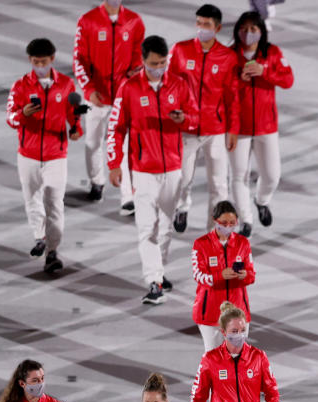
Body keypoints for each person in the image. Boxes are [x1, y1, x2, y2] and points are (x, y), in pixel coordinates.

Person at [107, 35, 198, 305]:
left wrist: (185, 120)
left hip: (172, 168)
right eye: (153, 64)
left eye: (163, 63)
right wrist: (114, 165)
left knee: (166, 228)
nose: (159, 68)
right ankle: (154, 281)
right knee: (146, 227)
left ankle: (160, 269)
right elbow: (116, 128)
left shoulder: (179, 85)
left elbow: (195, 118)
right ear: (143, 61)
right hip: (143, 170)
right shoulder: (129, 88)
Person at [6, 38, 83, 276]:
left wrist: (76, 129)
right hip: (27, 154)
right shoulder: (20, 86)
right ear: (30, 60)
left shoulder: (66, 85)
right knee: (32, 199)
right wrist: (23, 114)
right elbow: (10, 118)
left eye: (43, 61)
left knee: (54, 201)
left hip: (55, 154)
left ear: (52, 59)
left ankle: (52, 251)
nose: (39, 65)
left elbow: (74, 113)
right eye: (35, 61)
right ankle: (40, 236)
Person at [168, 4, 241, 234]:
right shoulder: (180, 50)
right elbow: (169, 88)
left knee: (219, 185)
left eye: (206, 24)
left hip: (215, 130)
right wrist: (173, 114)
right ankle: (181, 206)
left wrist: (233, 129)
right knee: (182, 178)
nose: (201, 28)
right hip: (186, 129)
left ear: (217, 28)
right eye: (198, 23)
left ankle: (215, 234)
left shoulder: (228, 57)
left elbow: (233, 95)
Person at [73, 0, 144, 213]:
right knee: (93, 142)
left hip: (123, 98)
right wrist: (88, 89)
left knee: (123, 145)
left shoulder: (134, 21)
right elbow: (79, 60)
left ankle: (128, 196)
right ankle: (97, 181)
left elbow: (138, 56)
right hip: (96, 97)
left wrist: (132, 79)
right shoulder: (88, 21)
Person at [227, 11, 294, 236]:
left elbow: (288, 80)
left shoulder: (272, 53)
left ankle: (262, 200)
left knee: (272, 175)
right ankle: (245, 219)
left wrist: (265, 71)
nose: (248, 34)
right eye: (243, 29)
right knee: (238, 175)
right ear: (237, 30)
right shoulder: (228, 55)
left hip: (266, 125)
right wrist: (237, 79)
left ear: (261, 31)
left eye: (253, 29)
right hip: (237, 127)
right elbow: (214, 87)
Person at [191, 201, 255, 351]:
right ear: (215, 221)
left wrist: (245, 275)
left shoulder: (243, 243)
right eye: (224, 222)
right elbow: (198, 275)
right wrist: (219, 275)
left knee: (237, 357)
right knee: (213, 357)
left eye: (232, 223)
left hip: (238, 311)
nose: (228, 226)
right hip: (210, 313)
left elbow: (252, 275)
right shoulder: (201, 244)